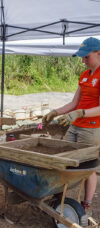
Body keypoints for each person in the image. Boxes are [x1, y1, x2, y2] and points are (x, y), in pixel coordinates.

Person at [42, 37, 100, 216]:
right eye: (82, 57)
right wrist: (55, 112)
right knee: (63, 160)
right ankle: (58, 197)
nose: (83, 60)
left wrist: (82, 113)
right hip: (75, 125)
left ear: (98, 53)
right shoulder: (84, 75)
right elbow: (75, 103)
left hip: (91, 128)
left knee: (88, 166)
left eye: (86, 57)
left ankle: (85, 205)